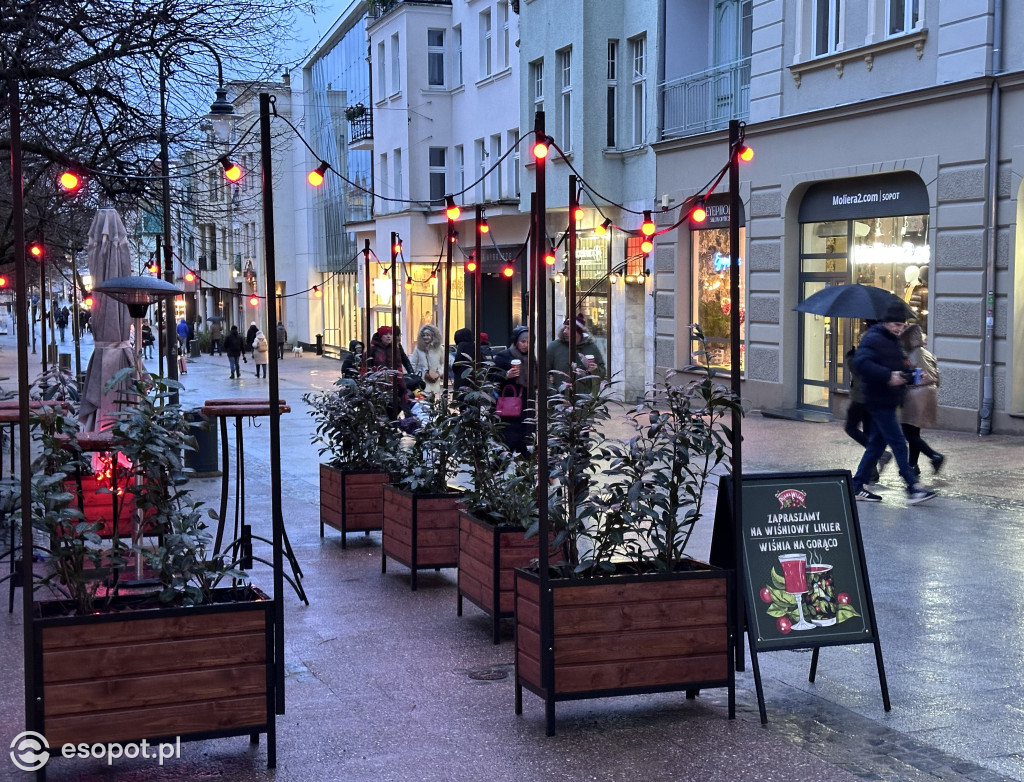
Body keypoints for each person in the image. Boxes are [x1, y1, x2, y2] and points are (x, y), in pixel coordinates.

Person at [850, 303, 936, 505]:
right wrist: (888, 375)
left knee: (876, 446)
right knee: (898, 442)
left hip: (888, 399)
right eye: (896, 324)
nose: (900, 328)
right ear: (886, 322)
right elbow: (861, 363)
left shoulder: (892, 340)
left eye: (903, 325)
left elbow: (895, 368)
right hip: (877, 399)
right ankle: (913, 486)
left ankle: (857, 485)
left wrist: (911, 375)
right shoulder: (873, 337)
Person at [900, 323, 945, 476]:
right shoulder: (924, 352)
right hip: (927, 393)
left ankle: (934, 456)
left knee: (908, 432)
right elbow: (937, 376)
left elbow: (913, 376)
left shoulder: (914, 354)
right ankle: (912, 465)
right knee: (914, 432)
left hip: (915, 395)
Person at [490, 325, 536, 456]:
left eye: (529, 342)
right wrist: (505, 375)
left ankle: (523, 473)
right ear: (516, 341)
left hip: (527, 407)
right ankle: (499, 471)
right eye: (523, 341)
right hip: (508, 409)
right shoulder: (504, 356)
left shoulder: (531, 358)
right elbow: (491, 377)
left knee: (526, 447)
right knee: (506, 445)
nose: (525, 345)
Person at [546, 316, 602, 393]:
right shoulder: (554, 347)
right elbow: (543, 372)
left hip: (584, 400)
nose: (565, 331)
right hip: (559, 400)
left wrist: (596, 370)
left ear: (578, 332)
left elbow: (602, 372)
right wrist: (553, 393)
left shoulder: (591, 348)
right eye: (565, 328)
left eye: (569, 329)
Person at [368, 326, 408, 419]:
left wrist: (403, 388)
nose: (389, 336)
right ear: (381, 336)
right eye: (386, 334)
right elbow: (366, 367)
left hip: (393, 386)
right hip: (378, 385)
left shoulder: (395, 349)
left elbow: (399, 369)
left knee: (394, 409)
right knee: (380, 410)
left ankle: (391, 427)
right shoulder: (373, 349)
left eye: (390, 334)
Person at [410, 324, 445, 397]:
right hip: (420, 380)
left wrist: (438, 373)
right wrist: (412, 377)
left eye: (428, 335)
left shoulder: (440, 349)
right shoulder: (418, 349)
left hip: (433, 379)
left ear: (433, 336)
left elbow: (443, 364)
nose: (425, 337)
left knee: (431, 401)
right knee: (420, 402)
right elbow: (413, 364)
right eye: (423, 335)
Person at [452, 327, 475, 393]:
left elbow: (457, 361)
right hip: (473, 377)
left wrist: (454, 368)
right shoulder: (474, 345)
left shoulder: (462, 345)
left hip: (462, 377)